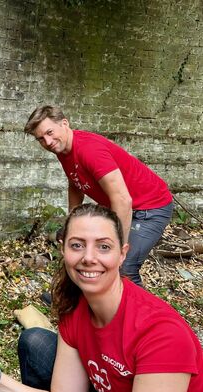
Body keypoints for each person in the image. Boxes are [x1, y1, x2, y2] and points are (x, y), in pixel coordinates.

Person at [0, 204, 202, 392]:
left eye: (103, 247)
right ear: (63, 250)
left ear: (123, 254)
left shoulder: (161, 334)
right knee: (35, 342)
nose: (88, 257)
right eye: (77, 245)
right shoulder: (75, 307)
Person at [24, 106, 173, 286]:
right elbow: (75, 181)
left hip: (150, 209)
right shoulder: (63, 149)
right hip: (122, 206)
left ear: (64, 123)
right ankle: (79, 305)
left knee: (123, 267)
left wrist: (117, 247)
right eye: (41, 138)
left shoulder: (89, 150)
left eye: (49, 132)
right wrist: (72, 222)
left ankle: (136, 312)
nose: (48, 142)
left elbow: (123, 201)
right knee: (86, 255)